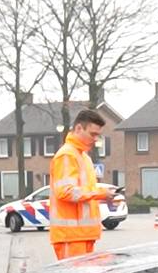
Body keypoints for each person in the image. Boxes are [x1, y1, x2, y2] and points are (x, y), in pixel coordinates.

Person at [48, 108, 113, 261]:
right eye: (93, 134)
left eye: (98, 135)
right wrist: (100, 194)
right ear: (78, 128)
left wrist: (101, 192)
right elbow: (65, 192)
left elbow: (79, 191)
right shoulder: (67, 155)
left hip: (80, 234)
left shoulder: (82, 156)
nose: (96, 139)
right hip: (71, 236)